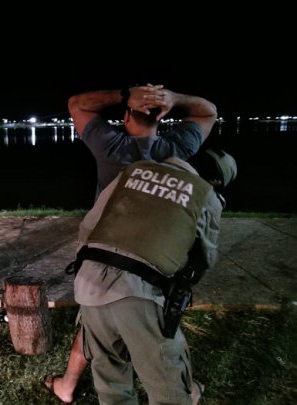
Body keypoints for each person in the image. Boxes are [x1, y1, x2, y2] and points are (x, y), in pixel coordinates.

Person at [45, 84, 218, 404]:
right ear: (162, 117)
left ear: (126, 117)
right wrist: (173, 99)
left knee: (101, 332)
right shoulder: (177, 149)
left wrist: (127, 95)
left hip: (101, 260)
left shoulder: (111, 146)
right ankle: (184, 389)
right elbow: (208, 112)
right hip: (154, 264)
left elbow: (77, 104)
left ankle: (68, 385)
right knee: (160, 337)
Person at [70, 151, 236, 404]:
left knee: (109, 374)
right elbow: (204, 257)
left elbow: (88, 226)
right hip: (140, 291)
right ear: (216, 182)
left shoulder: (134, 170)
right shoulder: (205, 194)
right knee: (166, 382)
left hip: (88, 282)